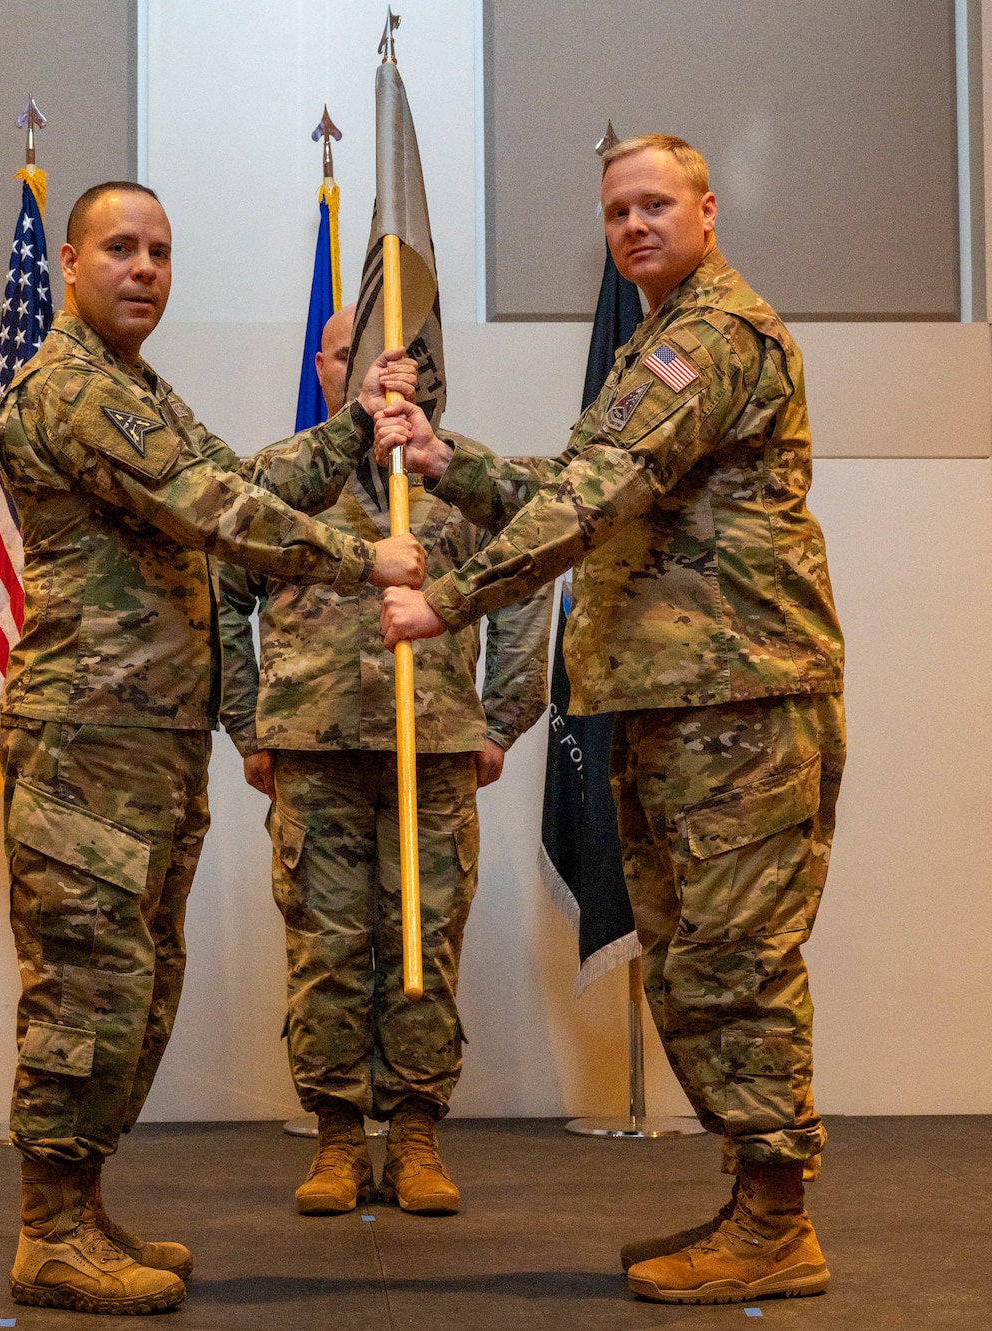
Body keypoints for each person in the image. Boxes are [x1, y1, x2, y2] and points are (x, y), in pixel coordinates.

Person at [378, 135, 846, 1305]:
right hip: (668, 705)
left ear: (706, 208)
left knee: (734, 960)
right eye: (615, 211)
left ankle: (778, 1218)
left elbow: (596, 493)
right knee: (689, 963)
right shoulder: (655, 339)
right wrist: (448, 464)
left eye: (654, 204)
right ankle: (753, 1199)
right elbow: (582, 473)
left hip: (736, 707)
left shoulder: (713, 335)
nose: (634, 225)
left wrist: (444, 597)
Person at [0, 180, 427, 1316]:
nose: (143, 268)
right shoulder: (73, 388)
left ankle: (80, 1209)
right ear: (72, 265)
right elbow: (212, 512)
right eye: (120, 248)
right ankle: (48, 1231)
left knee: (136, 979)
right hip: (89, 732)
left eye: (161, 252)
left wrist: (347, 430)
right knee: (86, 984)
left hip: (148, 734)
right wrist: (361, 561)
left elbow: (243, 481)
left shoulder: (137, 387)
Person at [218, 306, 551, 1219]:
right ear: (324, 370)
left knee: (423, 941)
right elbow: (217, 594)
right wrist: (247, 726)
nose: (379, 374)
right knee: (325, 946)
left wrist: (503, 719)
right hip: (312, 747)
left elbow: (529, 578)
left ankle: (413, 1132)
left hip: (435, 745)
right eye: (351, 357)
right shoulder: (281, 481)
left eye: (396, 359)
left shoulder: (457, 474)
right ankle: (334, 1135)